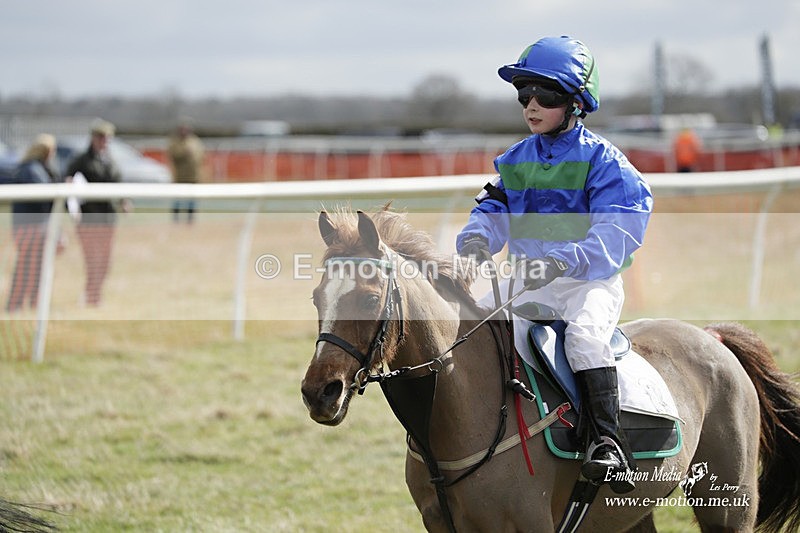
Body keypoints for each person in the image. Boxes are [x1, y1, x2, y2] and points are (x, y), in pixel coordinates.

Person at [456, 36, 653, 493]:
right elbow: (490, 212)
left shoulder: (606, 163)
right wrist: (475, 243)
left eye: (545, 95)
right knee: (473, 327)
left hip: (588, 284)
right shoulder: (514, 161)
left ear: (575, 102)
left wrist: (563, 261)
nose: (531, 105)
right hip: (528, 285)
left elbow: (619, 231)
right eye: (524, 95)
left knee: (584, 340)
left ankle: (608, 443)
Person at [66, 119, 127, 307]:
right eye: (101, 137)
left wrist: (124, 201)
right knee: (92, 260)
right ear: (93, 138)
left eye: (108, 138)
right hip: (88, 219)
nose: (104, 141)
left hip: (108, 219)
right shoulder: (81, 161)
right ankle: (92, 297)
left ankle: (94, 295)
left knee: (105, 262)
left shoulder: (111, 160)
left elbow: (118, 185)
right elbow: (70, 184)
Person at [6, 134, 59, 312]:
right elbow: (44, 198)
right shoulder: (32, 170)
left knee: (36, 267)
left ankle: (31, 303)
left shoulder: (40, 169)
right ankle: (15, 305)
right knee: (26, 267)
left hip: (36, 227)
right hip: (29, 228)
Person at [167, 119, 204, 223]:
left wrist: (193, 156)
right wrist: (184, 153)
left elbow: (200, 155)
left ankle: (190, 220)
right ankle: (176, 220)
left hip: (193, 176)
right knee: (178, 199)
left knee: (192, 199)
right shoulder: (175, 142)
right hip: (179, 176)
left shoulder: (195, 141)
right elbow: (173, 154)